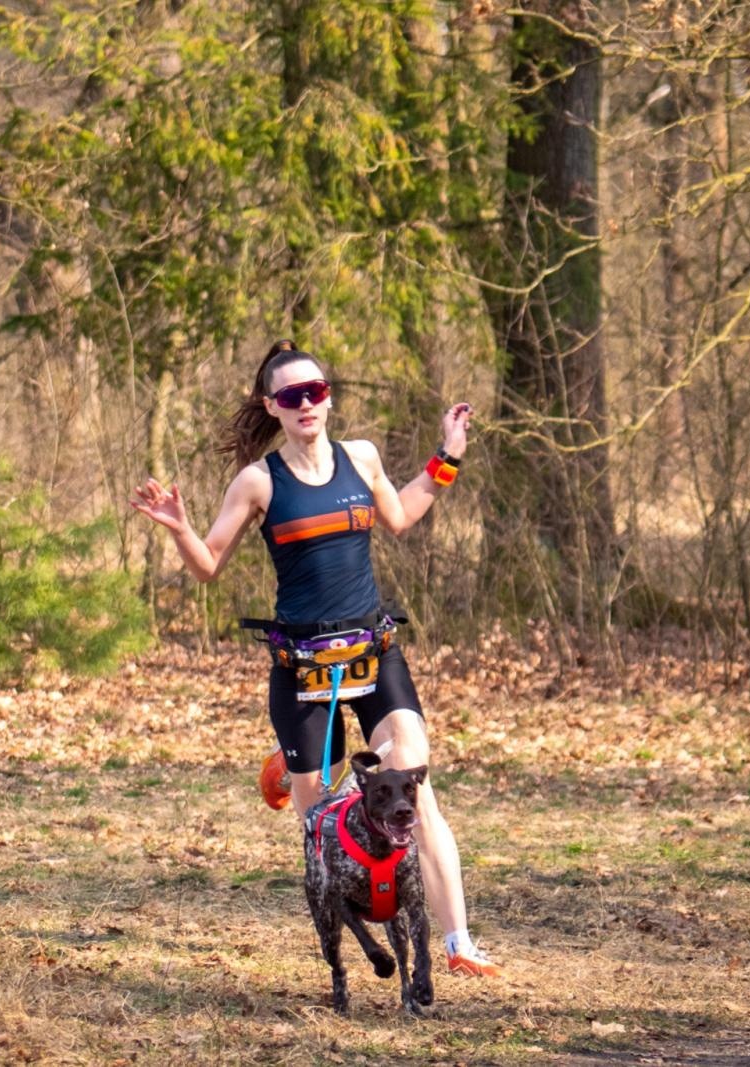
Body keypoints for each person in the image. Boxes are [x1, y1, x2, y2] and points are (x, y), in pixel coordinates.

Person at [128, 339, 498, 977]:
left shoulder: (362, 457)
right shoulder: (258, 480)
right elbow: (209, 566)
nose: (307, 404)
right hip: (303, 668)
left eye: (317, 392)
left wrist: (448, 457)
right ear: (272, 406)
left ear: (328, 397)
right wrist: (181, 529)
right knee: (323, 822)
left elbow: (403, 514)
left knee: (416, 781)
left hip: (373, 652)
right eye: (292, 396)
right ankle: (294, 769)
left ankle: (460, 942)